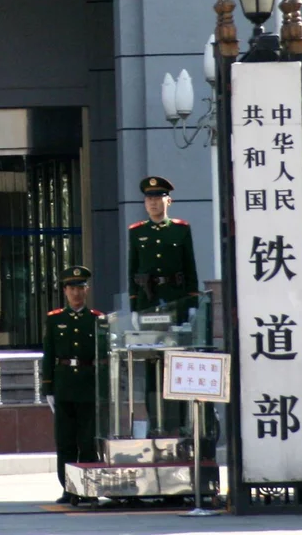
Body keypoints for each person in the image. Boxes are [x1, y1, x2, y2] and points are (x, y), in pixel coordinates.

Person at [128, 176, 199, 434]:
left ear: (168, 201)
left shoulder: (180, 229)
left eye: (158, 198)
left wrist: (191, 303)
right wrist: (134, 307)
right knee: (151, 364)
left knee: (176, 363)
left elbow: (190, 267)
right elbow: (132, 270)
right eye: (149, 198)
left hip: (175, 301)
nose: (153, 203)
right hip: (149, 304)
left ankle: (178, 423)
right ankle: (154, 422)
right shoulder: (137, 232)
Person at [41, 265, 103, 504]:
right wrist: (48, 387)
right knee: (65, 440)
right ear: (65, 291)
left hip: (88, 384)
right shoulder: (55, 319)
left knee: (87, 440)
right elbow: (48, 355)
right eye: (72, 288)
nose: (76, 293)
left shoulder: (96, 319)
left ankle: (87, 488)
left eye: (80, 288)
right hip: (64, 384)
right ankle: (68, 488)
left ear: (86, 290)